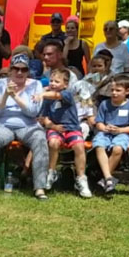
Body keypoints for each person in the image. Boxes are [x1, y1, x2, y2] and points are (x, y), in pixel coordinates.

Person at [0, 54, 49, 200]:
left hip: (28, 124)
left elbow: (33, 112)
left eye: (24, 69)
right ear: (10, 70)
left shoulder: (36, 85)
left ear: (28, 71)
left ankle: (40, 188)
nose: (19, 72)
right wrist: (6, 95)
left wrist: (15, 97)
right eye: (16, 69)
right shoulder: (0, 84)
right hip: (3, 123)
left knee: (40, 139)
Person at [39, 68, 91, 198]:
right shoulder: (47, 99)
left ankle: (81, 178)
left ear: (65, 84)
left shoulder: (67, 94)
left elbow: (57, 96)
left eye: (57, 81)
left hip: (72, 128)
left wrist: (42, 94)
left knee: (79, 146)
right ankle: (51, 172)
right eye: (51, 81)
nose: (53, 83)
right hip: (56, 128)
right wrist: (53, 126)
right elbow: (44, 118)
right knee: (53, 143)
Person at [92, 79, 129, 195]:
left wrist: (120, 130)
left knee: (117, 148)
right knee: (99, 146)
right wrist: (104, 128)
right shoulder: (105, 104)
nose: (114, 93)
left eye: (118, 90)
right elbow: (99, 123)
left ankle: (105, 179)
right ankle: (108, 178)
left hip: (124, 132)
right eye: (112, 90)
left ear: (127, 91)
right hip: (106, 132)